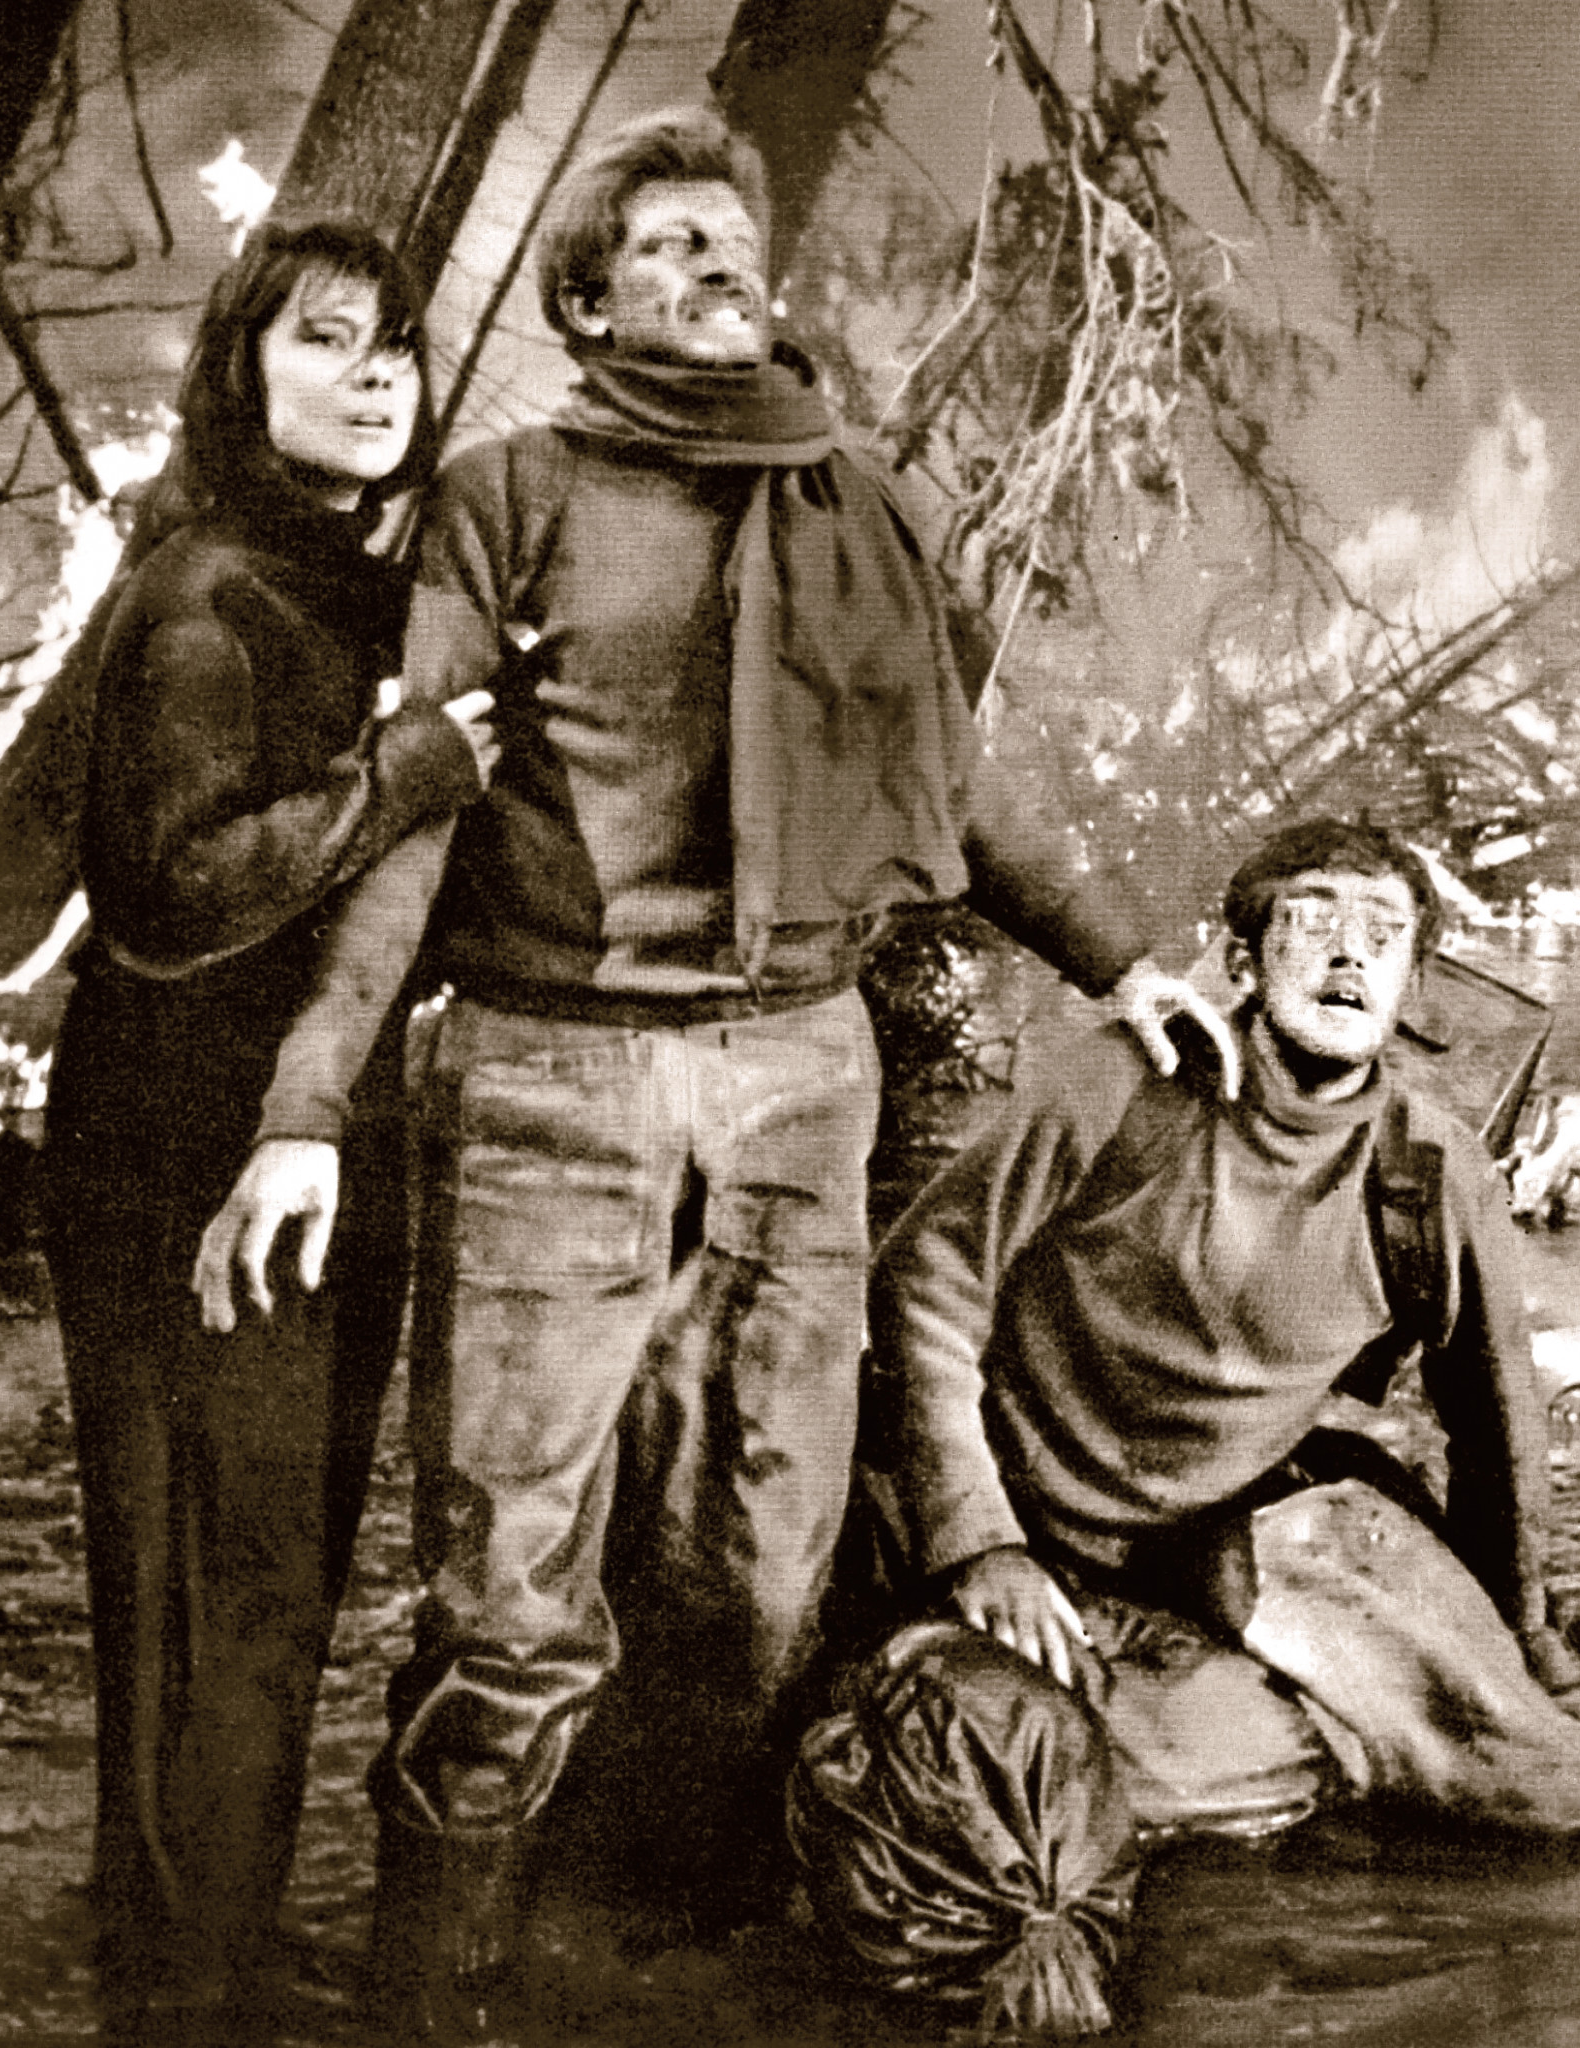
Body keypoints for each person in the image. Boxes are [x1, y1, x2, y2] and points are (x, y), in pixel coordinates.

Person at [193, 106, 1229, 2043]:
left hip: (801, 1079)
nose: (711, 262)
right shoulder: (504, 496)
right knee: (509, 1607)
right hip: (548, 1079)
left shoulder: (859, 497)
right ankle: (437, 1990)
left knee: (754, 1578)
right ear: (584, 306)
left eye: (725, 237)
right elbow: (416, 810)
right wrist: (306, 1106)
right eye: (661, 245)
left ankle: (637, 1969)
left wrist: (1123, 957)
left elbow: (958, 781)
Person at [40, 218, 494, 2029]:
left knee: (277, 1570)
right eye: (325, 340)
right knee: (197, 1579)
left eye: (396, 345)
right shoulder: (205, 596)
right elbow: (169, 894)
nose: (375, 377)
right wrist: (410, 765)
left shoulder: (343, 584)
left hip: (320, 1133)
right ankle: (176, 1981)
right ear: (243, 371)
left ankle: (200, 1940)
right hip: (170, 1144)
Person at [867, 817, 1580, 1875]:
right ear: (1241, 964)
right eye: (1313, 922)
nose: (1349, 954)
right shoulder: (1126, 1082)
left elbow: (1495, 1434)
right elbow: (925, 1279)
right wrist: (978, 1542)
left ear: (1410, 986)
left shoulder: (1430, 1173)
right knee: (977, 1771)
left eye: (1382, 934)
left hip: (1218, 1533)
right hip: (1022, 1515)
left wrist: (1521, 1651)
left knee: (1524, 1774)